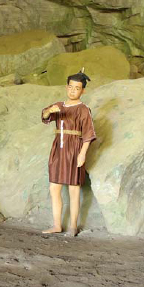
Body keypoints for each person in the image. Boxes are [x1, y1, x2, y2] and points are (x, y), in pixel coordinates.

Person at [41, 70, 96, 236]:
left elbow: (88, 134)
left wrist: (82, 154)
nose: (73, 90)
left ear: (83, 91)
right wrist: (49, 111)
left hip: (74, 150)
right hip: (58, 150)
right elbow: (45, 116)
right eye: (70, 87)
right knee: (54, 188)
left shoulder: (83, 109)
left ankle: (73, 226)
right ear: (66, 87)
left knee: (74, 189)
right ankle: (57, 225)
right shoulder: (59, 105)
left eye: (77, 88)